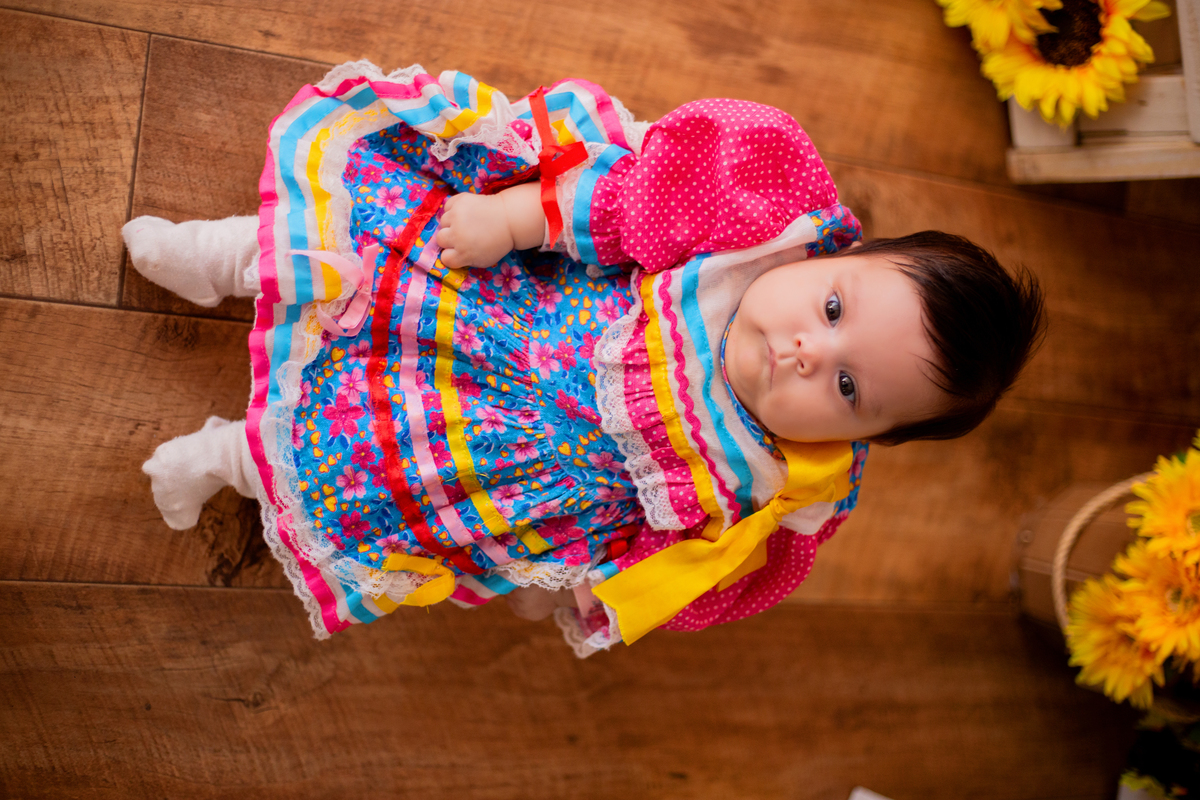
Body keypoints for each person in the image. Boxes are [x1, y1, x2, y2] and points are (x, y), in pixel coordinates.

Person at [126, 61, 1043, 656]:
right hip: (497, 309)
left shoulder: (785, 491)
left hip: (495, 464)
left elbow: (691, 566)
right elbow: (624, 202)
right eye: (834, 308)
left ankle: (230, 457)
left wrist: (590, 589)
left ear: (866, 439)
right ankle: (228, 259)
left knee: (368, 479)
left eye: (848, 386)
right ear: (839, 253)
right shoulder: (754, 239)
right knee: (375, 252)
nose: (808, 351)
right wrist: (513, 220)